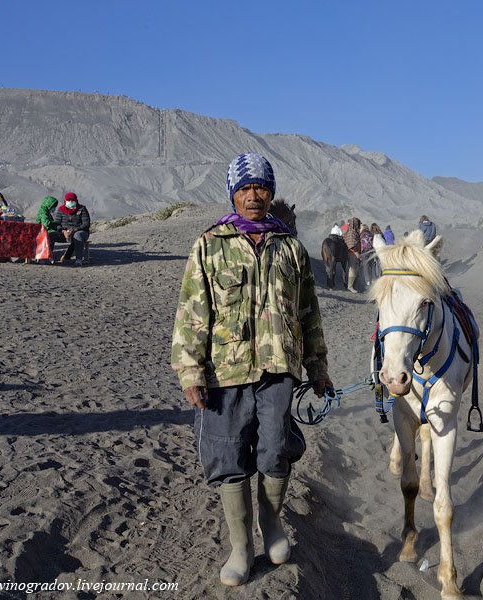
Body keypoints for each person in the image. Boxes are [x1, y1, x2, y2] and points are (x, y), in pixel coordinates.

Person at [171, 152, 332, 588]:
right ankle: (241, 547)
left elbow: (308, 312)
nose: (253, 195)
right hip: (225, 373)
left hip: (280, 369)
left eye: (260, 187)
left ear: (271, 192)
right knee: (228, 456)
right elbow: (191, 312)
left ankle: (273, 525)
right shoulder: (210, 244)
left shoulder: (291, 248)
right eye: (244, 188)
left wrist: (318, 366)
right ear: (233, 194)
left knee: (276, 449)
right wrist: (190, 371)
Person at [50, 192, 91, 266]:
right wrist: (63, 231)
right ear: (65, 201)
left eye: (72, 200)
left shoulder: (82, 209)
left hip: (79, 231)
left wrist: (75, 230)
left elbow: (86, 224)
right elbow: (57, 224)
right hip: (64, 233)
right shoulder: (61, 209)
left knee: (77, 236)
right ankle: (48, 257)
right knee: (50, 235)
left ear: (76, 200)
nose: (71, 202)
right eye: (69, 200)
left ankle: (79, 259)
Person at [34, 195, 59, 262]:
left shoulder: (46, 211)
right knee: (52, 236)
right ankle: (46, 257)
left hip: (44, 231)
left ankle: (48, 256)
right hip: (42, 232)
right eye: (53, 206)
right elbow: (46, 224)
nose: (54, 208)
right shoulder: (43, 212)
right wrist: (56, 224)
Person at [343, 216, 362, 292]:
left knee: (353, 269)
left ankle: (352, 285)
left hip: (353, 252)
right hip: (352, 253)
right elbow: (351, 244)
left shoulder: (348, 230)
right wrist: (356, 253)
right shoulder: (352, 232)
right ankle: (350, 286)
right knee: (352, 269)